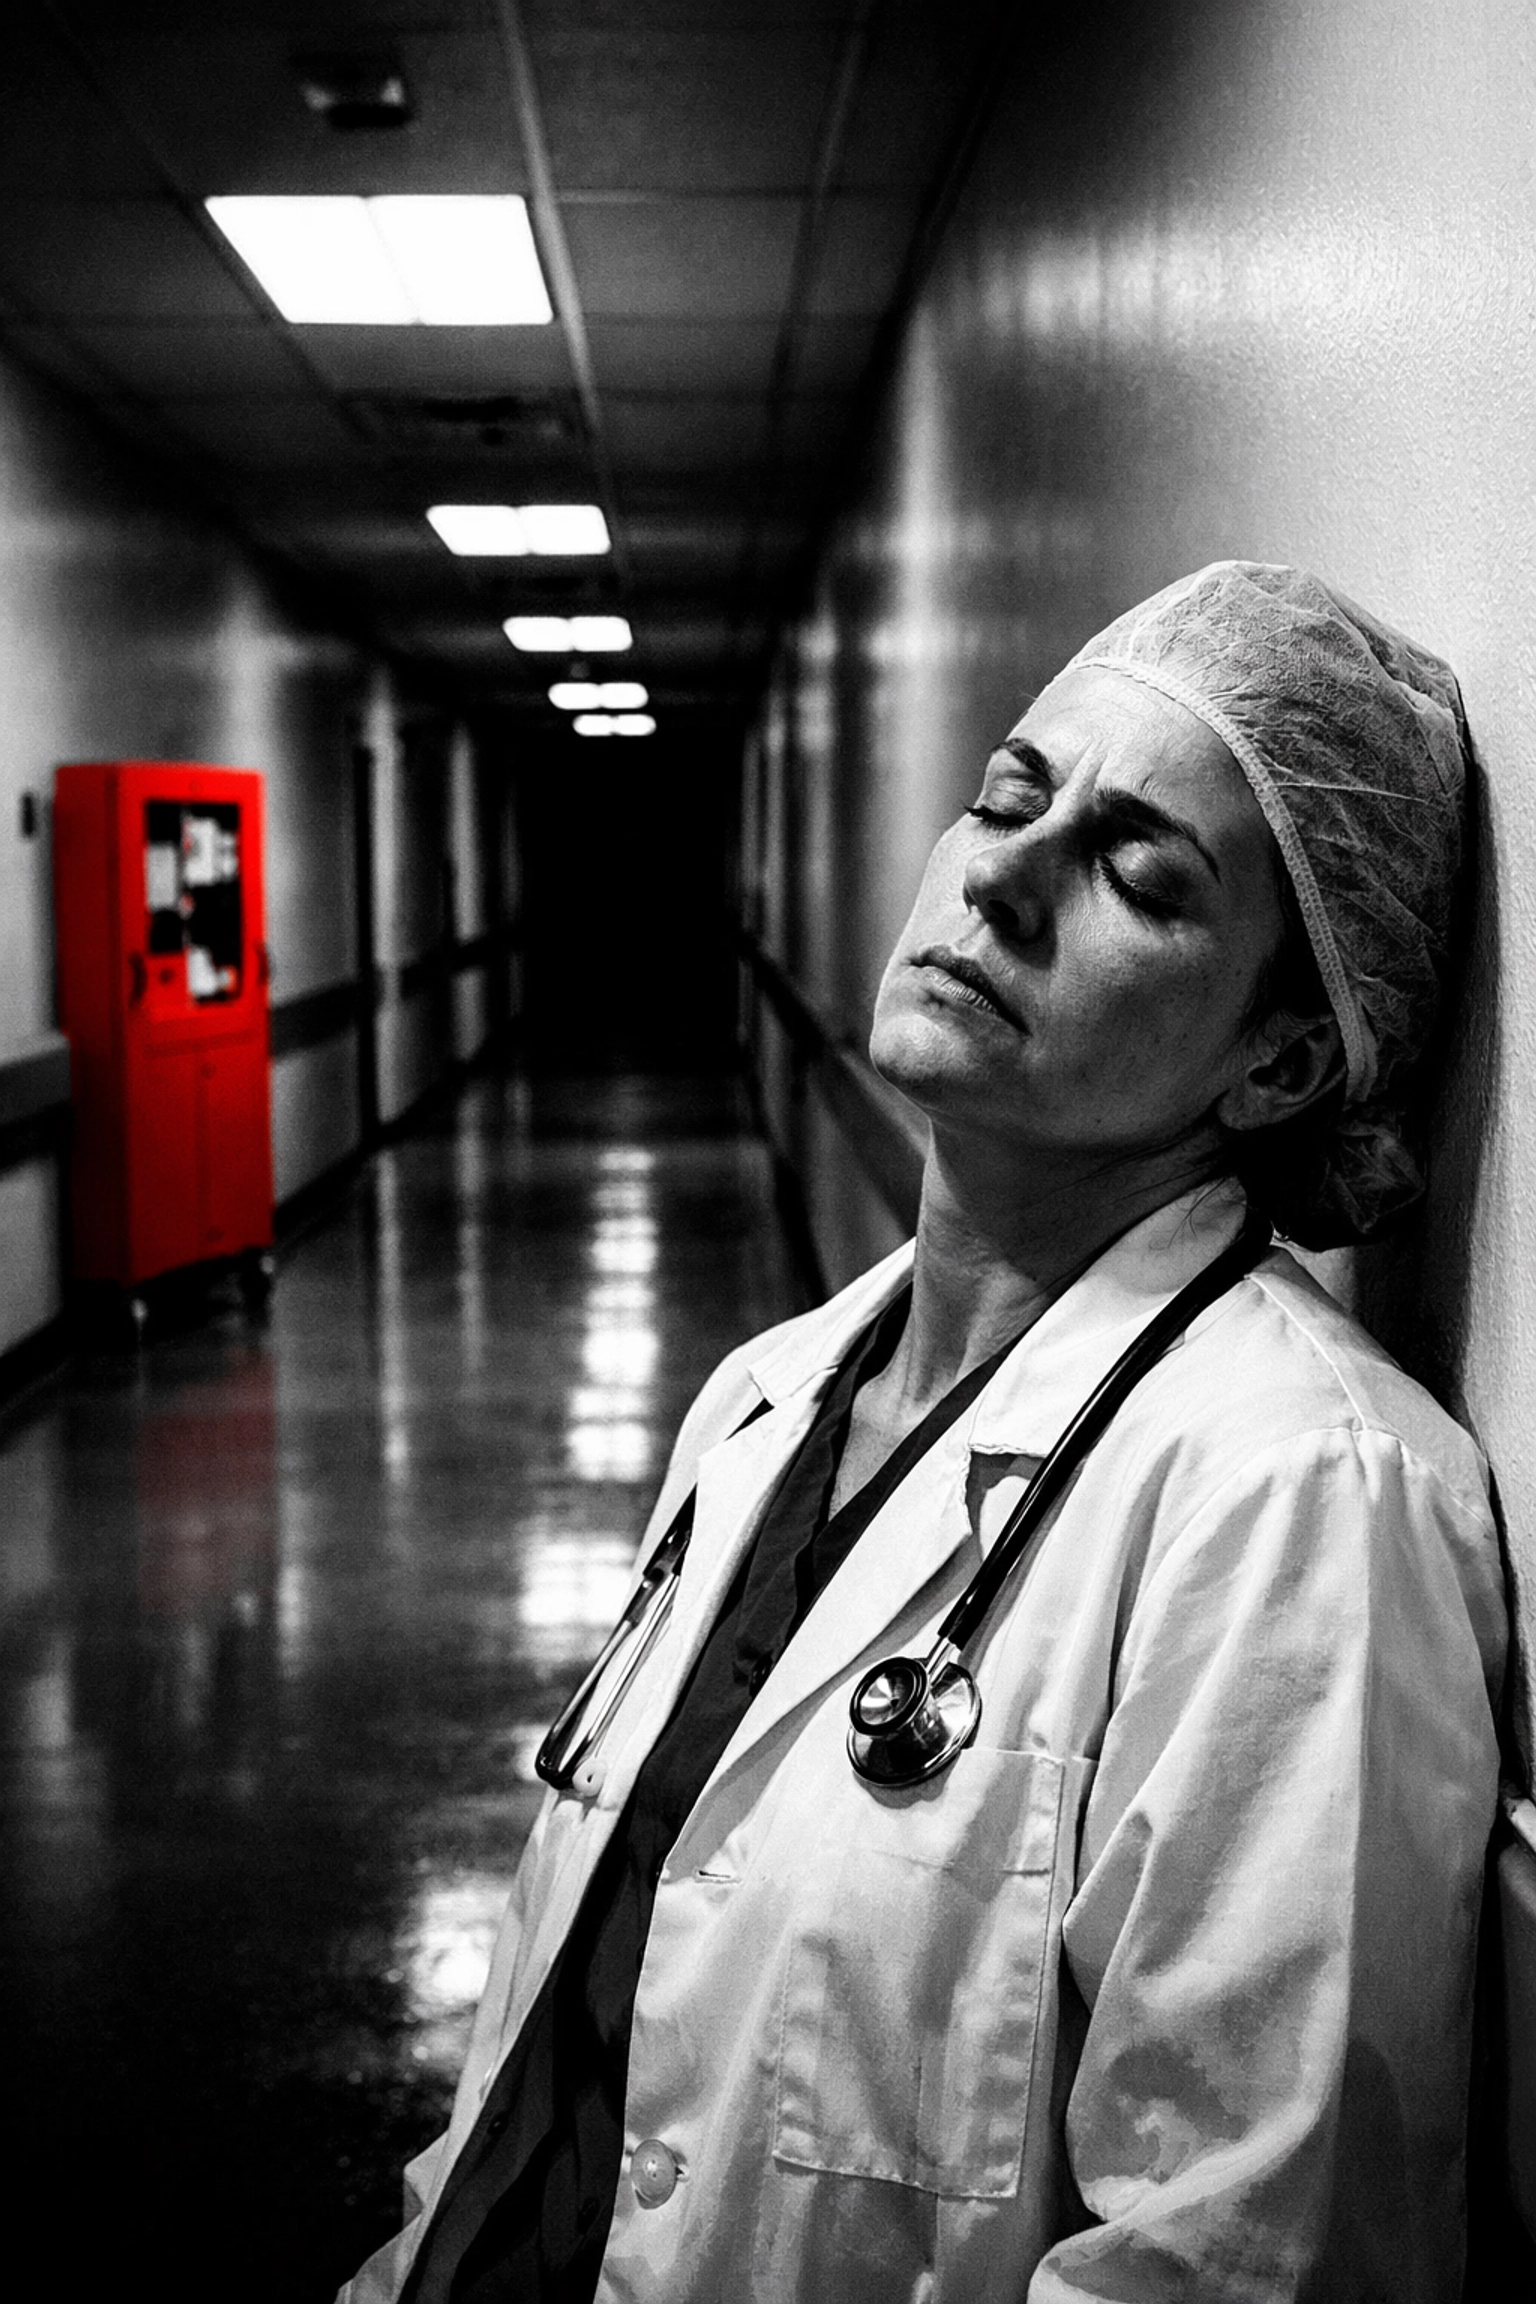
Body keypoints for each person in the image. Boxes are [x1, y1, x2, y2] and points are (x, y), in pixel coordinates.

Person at [339, 563, 1506, 2303]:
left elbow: (1240, 2260)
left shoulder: (1295, 1502)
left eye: (1137, 871)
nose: (1006, 878)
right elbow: (564, 2010)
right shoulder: (770, 1398)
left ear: (1277, 1065)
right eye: (1010, 797)